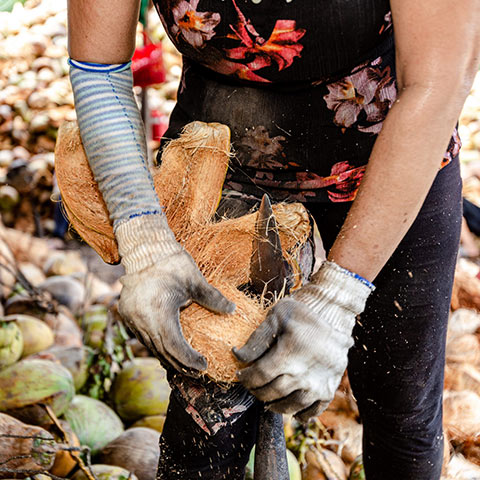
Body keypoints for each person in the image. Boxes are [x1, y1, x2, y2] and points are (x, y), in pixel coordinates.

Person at [67, 1, 480, 478]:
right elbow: (98, 67)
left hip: (389, 158)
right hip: (219, 156)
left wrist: (339, 294)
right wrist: (144, 239)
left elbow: (439, 78)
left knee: (400, 412)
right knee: (206, 424)